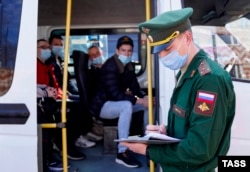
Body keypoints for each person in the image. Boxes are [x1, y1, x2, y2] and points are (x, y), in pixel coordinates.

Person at [121, 8, 236, 172]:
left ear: (187, 38)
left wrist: (147, 150)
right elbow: (192, 122)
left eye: (167, 49)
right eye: (158, 51)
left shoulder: (208, 80)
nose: (162, 57)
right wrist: (165, 132)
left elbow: (199, 149)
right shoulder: (186, 72)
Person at [89, 36, 150, 168]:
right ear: (117, 51)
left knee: (146, 106)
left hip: (116, 103)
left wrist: (145, 98)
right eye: (123, 50)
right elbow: (115, 94)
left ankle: (148, 141)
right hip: (103, 105)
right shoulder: (110, 66)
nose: (126, 54)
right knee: (127, 106)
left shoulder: (129, 65)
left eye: (129, 51)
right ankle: (122, 152)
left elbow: (135, 87)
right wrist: (138, 100)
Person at [37, 39, 86, 161]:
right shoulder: (35, 65)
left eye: (48, 47)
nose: (47, 49)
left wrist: (62, 94)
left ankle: (72, 140)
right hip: (44, 101)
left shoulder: (48, 64)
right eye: (43, 47)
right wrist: (48, 92)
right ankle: (64, 145)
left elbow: (55, 84)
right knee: (73, 110)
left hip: (54, 97)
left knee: (81, 104)